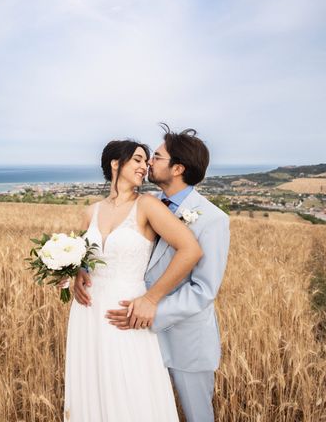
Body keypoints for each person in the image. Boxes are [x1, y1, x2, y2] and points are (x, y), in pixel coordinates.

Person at [75, 125, 231, 422]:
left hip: (184, 340)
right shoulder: (148, 205)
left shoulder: (212, 219)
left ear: (178, 168)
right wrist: (78, 271)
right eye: (143, 159)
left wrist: (150, 306)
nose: (148, 163)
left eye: (156, 157)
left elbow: (204, 290)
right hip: (133, 334)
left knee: (198, 416)